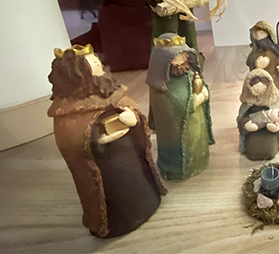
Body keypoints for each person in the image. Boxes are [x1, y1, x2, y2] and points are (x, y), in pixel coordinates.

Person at [48, 44, 166, 238]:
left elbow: (133, 113)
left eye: (97, 63)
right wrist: (100, 138)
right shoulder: (68, 112)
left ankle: (148, 202)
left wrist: (133, 119)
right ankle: (121, 220)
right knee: (117, 193)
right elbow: (73, 143)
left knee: (137, 184)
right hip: (107, 166)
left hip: (130, 155)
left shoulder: (113, 92)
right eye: (92, 65)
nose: (98, 66)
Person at [146, 34, 214, 180]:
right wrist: (199, 98)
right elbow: (179, 106)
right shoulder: (161, 86)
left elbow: (199, 84)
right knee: (182, 150)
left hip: (196, 124)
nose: (182, 60)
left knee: (197, 140)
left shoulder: (187, 72)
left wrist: (203, 90)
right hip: (175, 134)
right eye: (176, 58)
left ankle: (200, 159)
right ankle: (176, 168)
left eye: (184, 55)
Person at [246, 21, 279, 126]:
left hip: (278, 84)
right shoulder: (255, 53)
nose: (259, 36)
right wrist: (257, 64)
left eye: (261, 33)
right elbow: (251, 63)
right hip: (263, 86)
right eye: (256, 34)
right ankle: (266, 123)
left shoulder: (277, 51)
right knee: (265, 105)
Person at [237, 69, 279, 160]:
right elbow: (242, 117)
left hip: (269, 131)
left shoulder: (273, 101)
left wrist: (276, 125)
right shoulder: (247, 104)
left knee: (269, 149)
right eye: (256, 89)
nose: (259, 91)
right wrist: (246, 124)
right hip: (254, 131)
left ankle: (274, 136)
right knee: (253, 149)